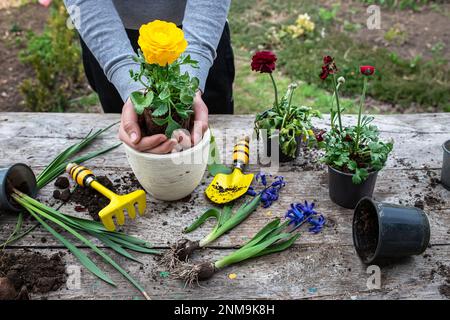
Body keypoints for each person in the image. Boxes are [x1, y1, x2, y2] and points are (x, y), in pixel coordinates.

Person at [64, 0, 234, 153]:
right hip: (107, 34)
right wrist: (123, 73)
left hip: (201, 28)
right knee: (133, 143)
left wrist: (189, 86)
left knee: (212, 147)